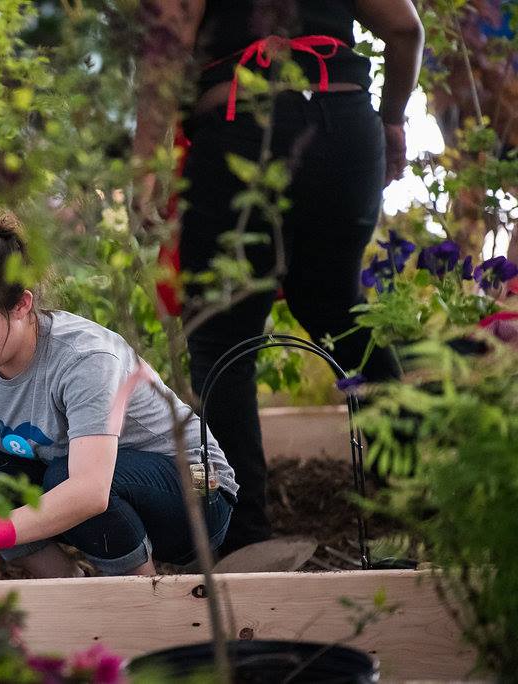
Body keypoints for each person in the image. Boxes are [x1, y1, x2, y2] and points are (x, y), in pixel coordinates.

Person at [133, 0, 424, 555]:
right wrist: (391, 120)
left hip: (247, 127)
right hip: (346, 133)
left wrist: (147, 155)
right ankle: (408, 508)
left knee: (222, 333)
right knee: (339, 311)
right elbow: (405, 28)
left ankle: (244, 539)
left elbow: (168, 39)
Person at [0, 213, 237, 577]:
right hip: (89, 484)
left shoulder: (85, 359)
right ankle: (65, 584)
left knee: (66, 479)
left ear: (22, 305)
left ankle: (134, 598)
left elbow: (90, 491)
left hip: (197, 494)